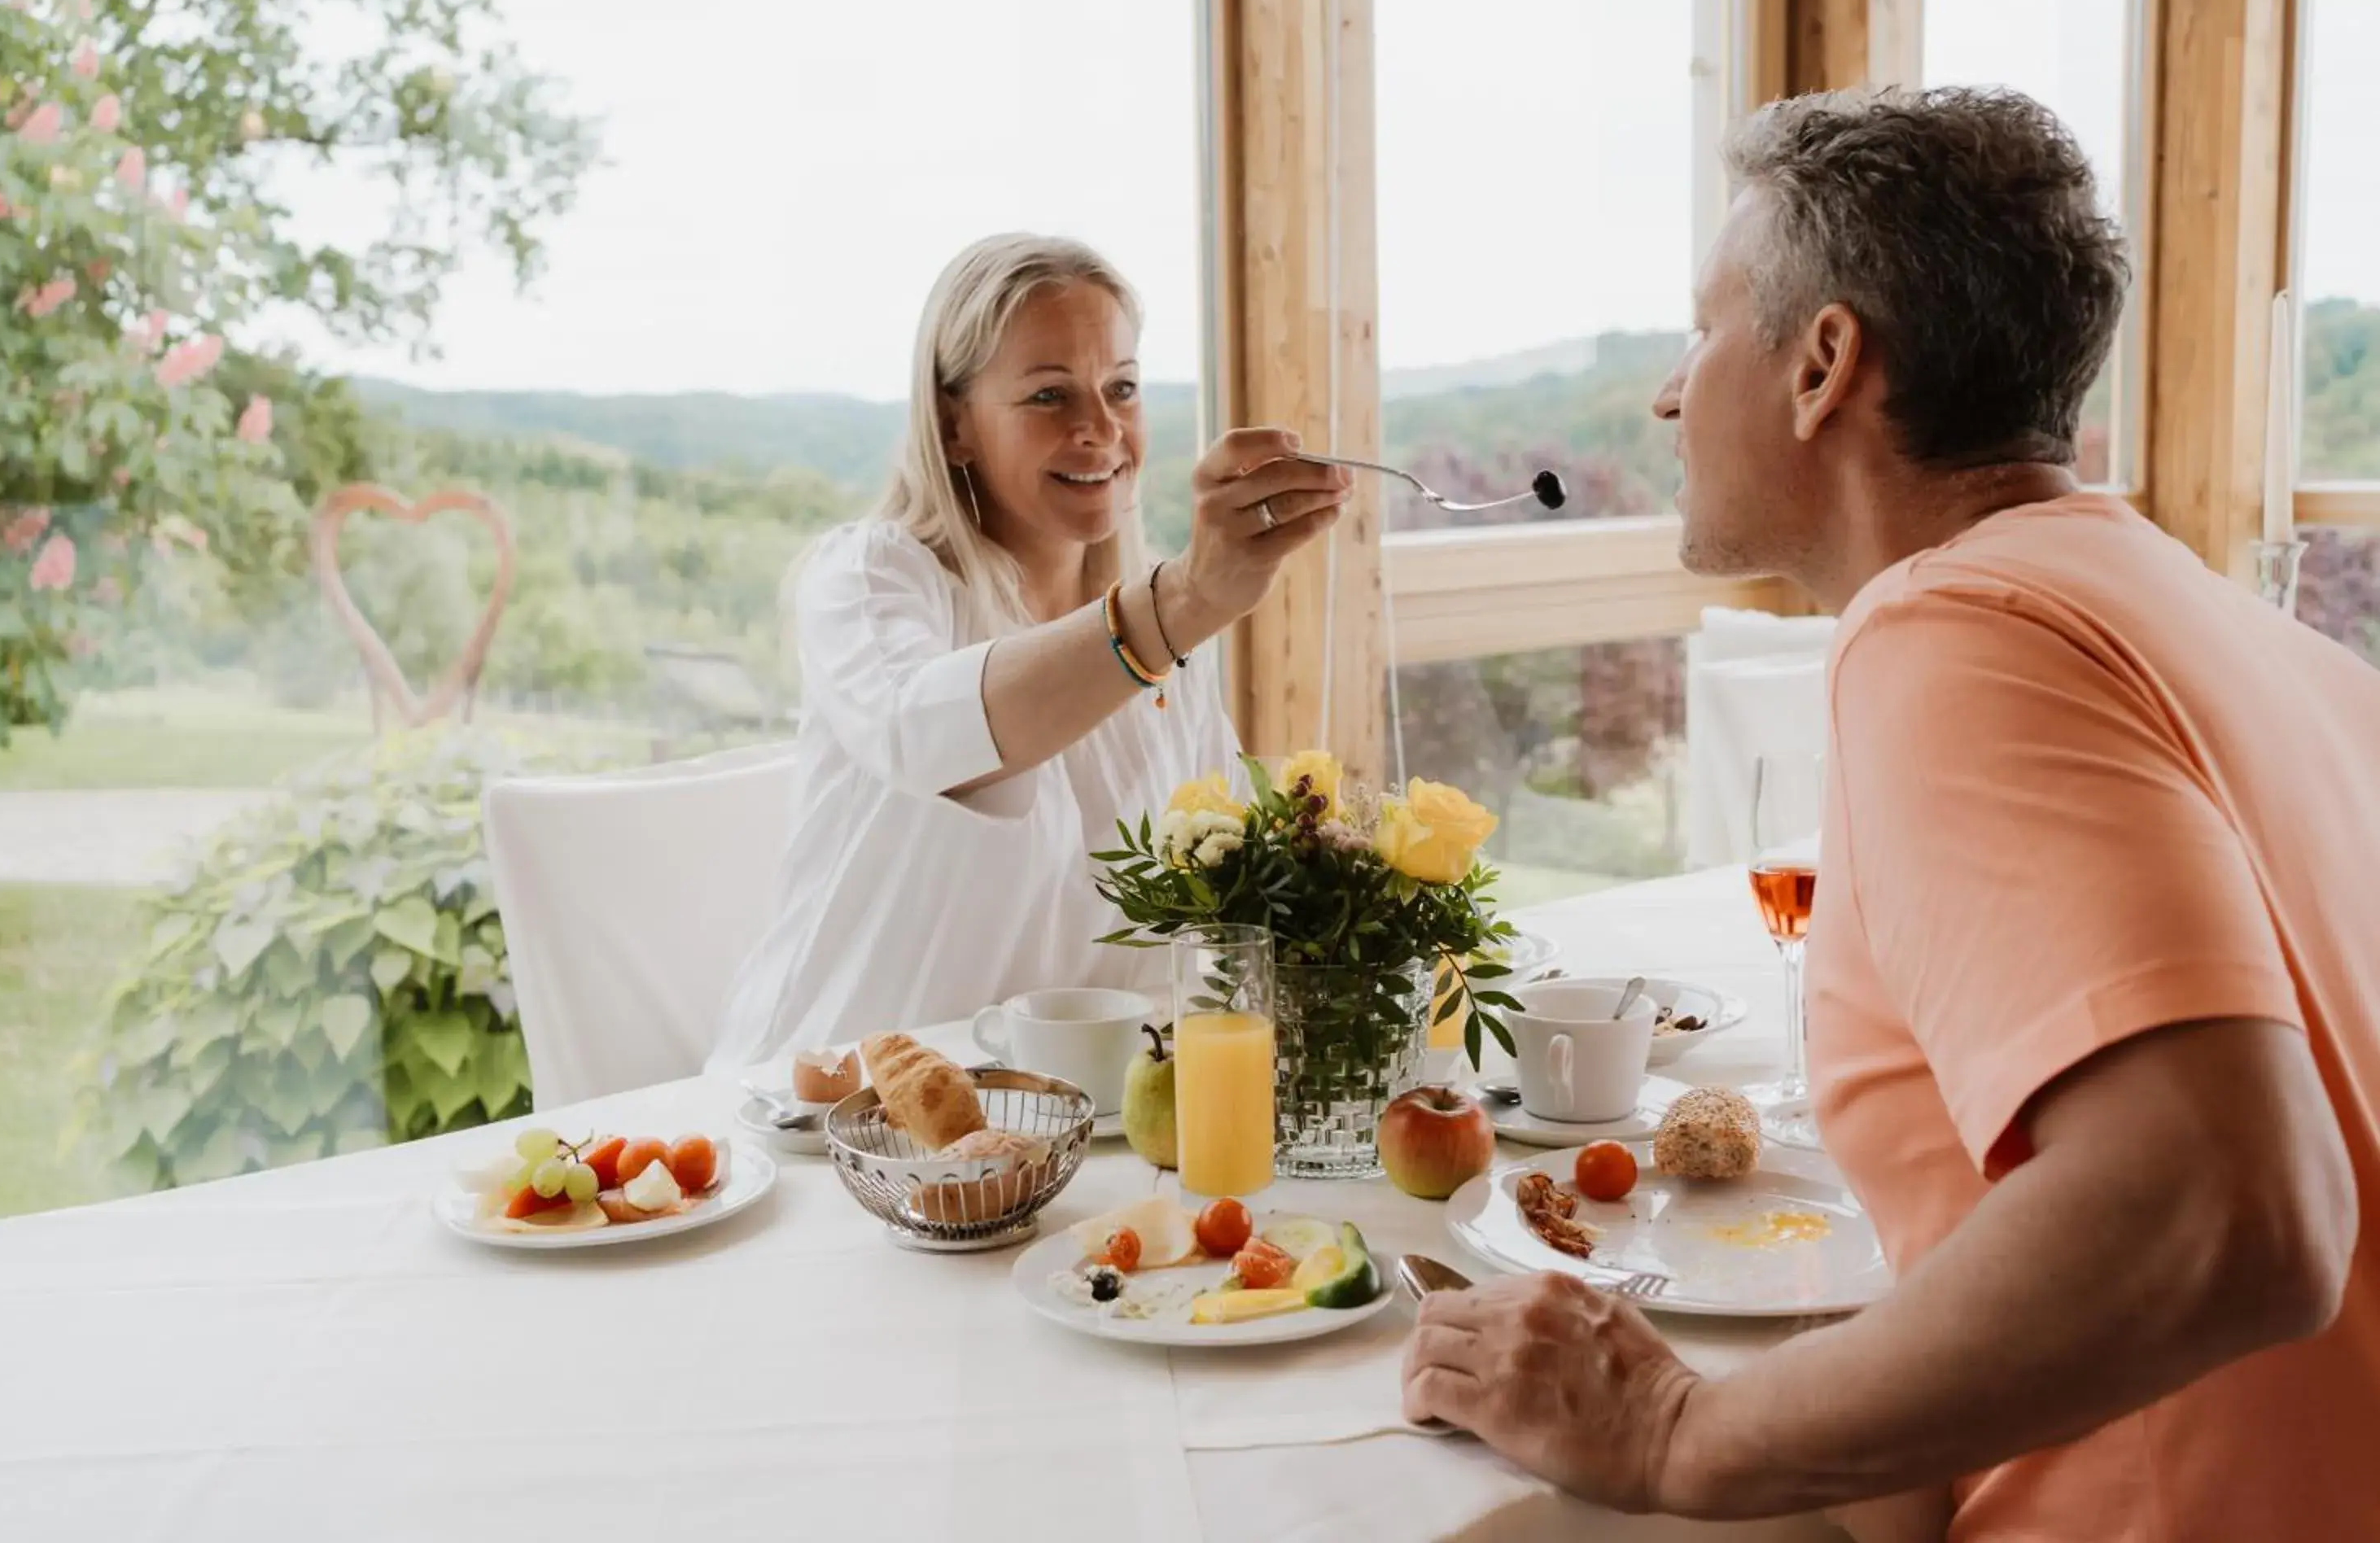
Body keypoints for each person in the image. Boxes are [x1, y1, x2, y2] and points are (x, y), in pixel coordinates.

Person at [1402, 86, 2379, 1540]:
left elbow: (2229, 1213)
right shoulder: (2268, 649)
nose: (1669, 395)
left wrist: (1683, 1434)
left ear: (1823, 365)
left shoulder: (1956, 628)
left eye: (1701, 330)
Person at [706, 234, 1349, 1067]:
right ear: (954, 424)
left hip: (1079, 1128)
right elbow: (924, 735)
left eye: (1122, 387)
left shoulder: (1167, 653)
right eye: (1049, 396)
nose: (1102, 428)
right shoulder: (873, 576)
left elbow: (1225, 905)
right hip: (833, 1118)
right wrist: (1185, 599)